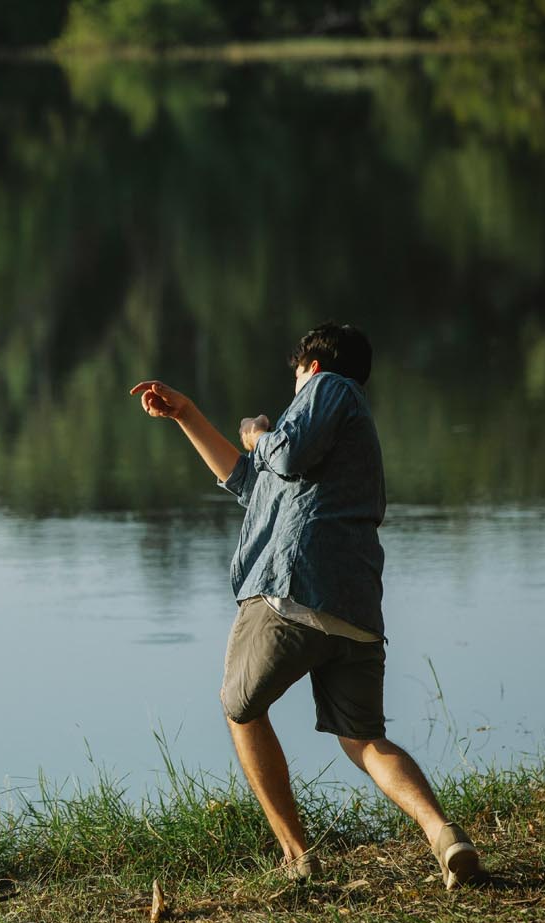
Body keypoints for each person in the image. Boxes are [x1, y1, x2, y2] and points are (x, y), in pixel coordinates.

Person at [131, 323, 483, 888]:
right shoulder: (338, 434)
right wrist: (186, 414)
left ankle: (298, 856)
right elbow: (249, 484)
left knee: (239, 709)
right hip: (355, 610)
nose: (295, 388)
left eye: (296, 376)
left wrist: (257, 433)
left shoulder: (330, 388)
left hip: (293, 589)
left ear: (311, 367)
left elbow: (283, 452)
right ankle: (445, 836)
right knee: (363, 738)